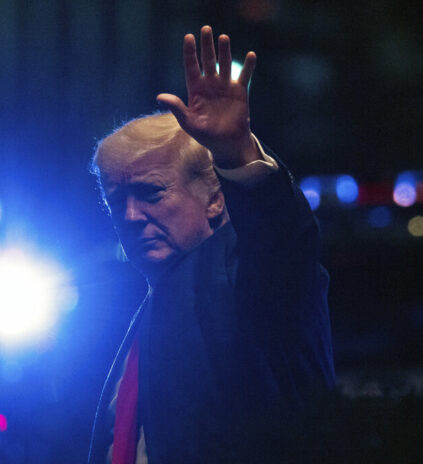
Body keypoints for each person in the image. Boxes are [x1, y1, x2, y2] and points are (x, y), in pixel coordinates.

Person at [88, 26, 335, 464]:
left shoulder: (243, 273)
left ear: (216, 197)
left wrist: (237, 154)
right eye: (116, 200)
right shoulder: (144, 299)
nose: (129, 217)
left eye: (150, 194)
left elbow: (283, 243)